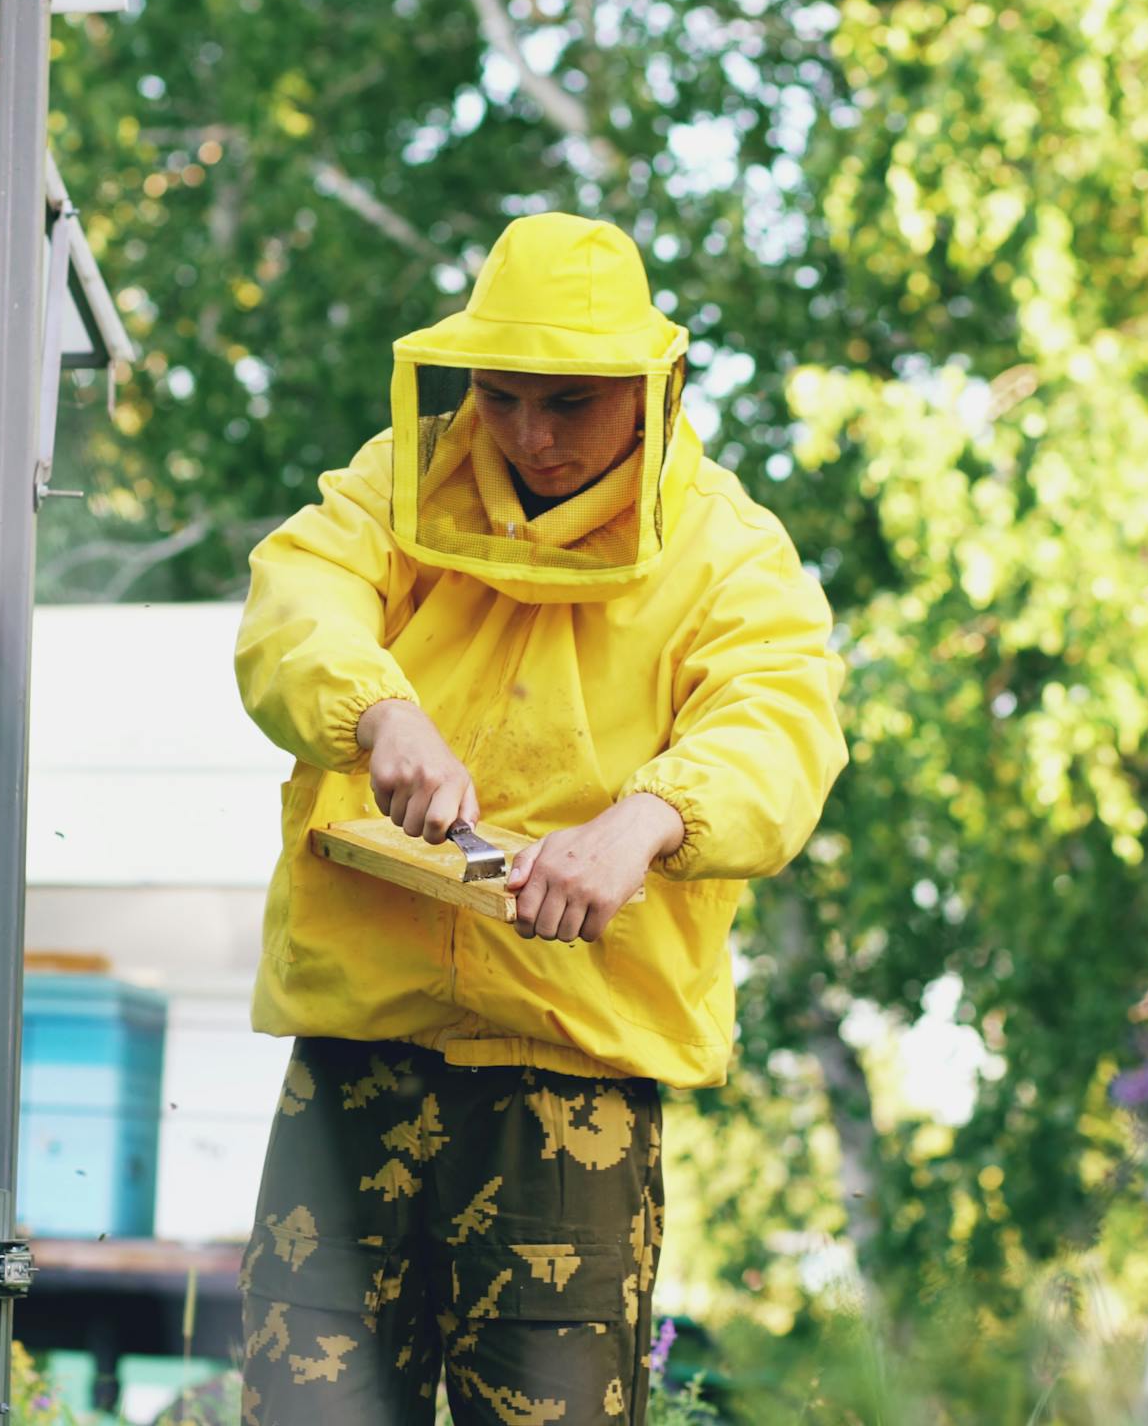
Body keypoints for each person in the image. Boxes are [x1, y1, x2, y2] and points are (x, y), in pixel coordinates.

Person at [231, 212, 848, 1423]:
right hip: (357, 1054)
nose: (530, 435)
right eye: (503, 395)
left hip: (573, 1076)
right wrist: (378, 716)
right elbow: (293, 604)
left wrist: (650, 820)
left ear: (654, 387)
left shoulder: (730, 552)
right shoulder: (391, 484)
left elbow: (777, 726)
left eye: (569, 401)